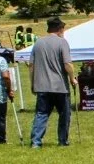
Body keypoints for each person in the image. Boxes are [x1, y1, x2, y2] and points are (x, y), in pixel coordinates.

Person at [31, 16, 76, 148]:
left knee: (41, 114)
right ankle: (62, 141)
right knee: (64, 114)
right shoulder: (62, 42)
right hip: (59, 86)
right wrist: (72, 78)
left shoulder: (38, 43)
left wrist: (33, 83)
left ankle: (36, 142)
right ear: (59, 29)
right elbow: (68, 64)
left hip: (42, 86)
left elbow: (31, 65)